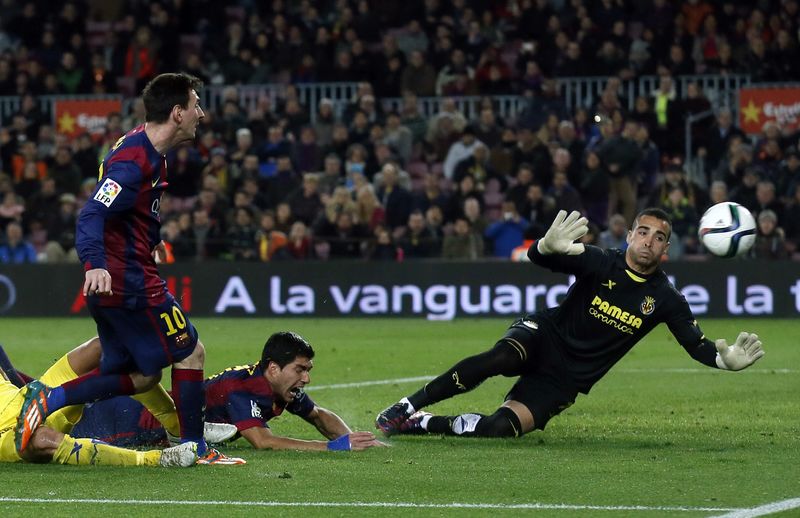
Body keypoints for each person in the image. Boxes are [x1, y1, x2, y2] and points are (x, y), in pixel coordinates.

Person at [376, 209, 765, 438]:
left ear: (666, 249)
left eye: (658, 237)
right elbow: (543, 259)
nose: (648, 241)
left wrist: (720, 360)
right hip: (545, 336)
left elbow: (696, 344)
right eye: (643, 232)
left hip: (566, 379)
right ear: (629, 235)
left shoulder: (666, 299)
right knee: (500, 358)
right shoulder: (600, 260)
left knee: (501, 430)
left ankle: (423, 423)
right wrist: (546, 246)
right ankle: (406, 404)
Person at [15, 73, 238, 465]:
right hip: (128, 282)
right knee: (190, 351)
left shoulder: (145, 147)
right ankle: (194, 446)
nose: (201, 114)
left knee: (140, 375)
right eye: (196, 105)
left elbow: (126, 213)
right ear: (177, 112)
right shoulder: (133, 164)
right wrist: (95, 264)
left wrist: (150, 240)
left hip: (121, 278)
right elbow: (91, 214)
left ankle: (50, 396)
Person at [5, 333, 384, 453]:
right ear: (273, 368)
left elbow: (320, 417)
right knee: (47, 425)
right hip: (134, 422)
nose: (306, 379)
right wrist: (330, 448)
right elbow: (263, 441)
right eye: (300, 370)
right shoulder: (245, 389)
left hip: (145, 411)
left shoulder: (279, 388)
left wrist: (351, 437)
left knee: (26, 396)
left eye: (307, 371)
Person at [0, 345, 197, 467]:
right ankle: (155, 459)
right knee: (43, 440)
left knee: (103, 348)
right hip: (4, 433)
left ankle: (175, 426)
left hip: (23, 398)